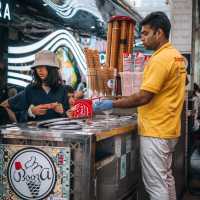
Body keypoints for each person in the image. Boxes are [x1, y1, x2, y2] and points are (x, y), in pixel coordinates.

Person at [93, 11, 186, 200]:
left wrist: (111, 103)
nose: (141, 38)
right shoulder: (176, 56)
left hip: (156, 131)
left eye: (145, 33)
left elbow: (144, 97)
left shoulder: (160, 59)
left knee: (156, 185)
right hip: (169, 129)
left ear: (159, 33)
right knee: (166, 179)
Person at [1, 50, 72, 122]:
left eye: (43, 66)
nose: (39, 70)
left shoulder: (62, 90)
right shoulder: (30, 89)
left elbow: (68, 117)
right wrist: (31, 112)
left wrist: (62, 111)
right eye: (37, 67)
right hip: (35, 132)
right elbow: (10, 111)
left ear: (52, 69)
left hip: (57, 131)